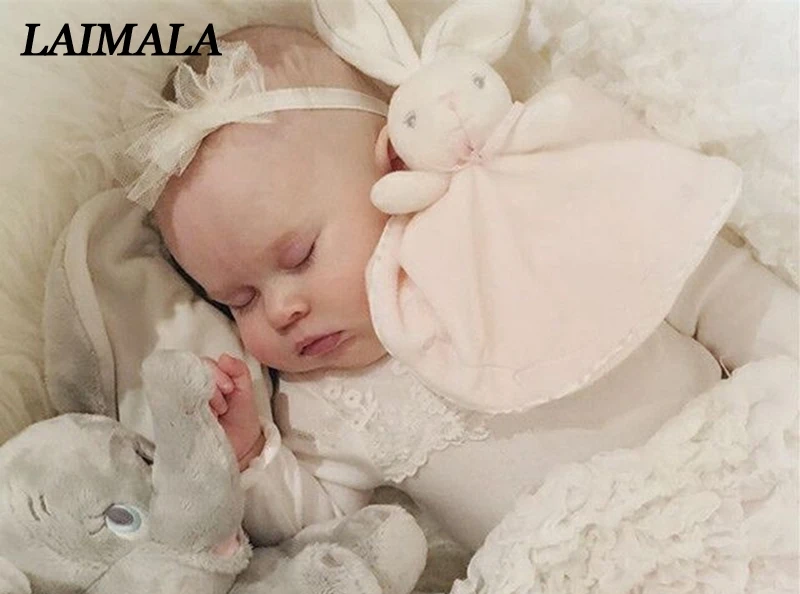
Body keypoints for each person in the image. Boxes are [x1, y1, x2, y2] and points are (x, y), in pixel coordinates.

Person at [141, 25, 797, 553]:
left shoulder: (509, 217)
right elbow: (319, 529)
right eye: (239, 301)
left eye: (299, 256)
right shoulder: (328, 398)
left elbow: (706, 285)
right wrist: (251, 455)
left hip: (735, 465)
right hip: (605, 587)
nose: (282, 309)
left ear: (393, 164)